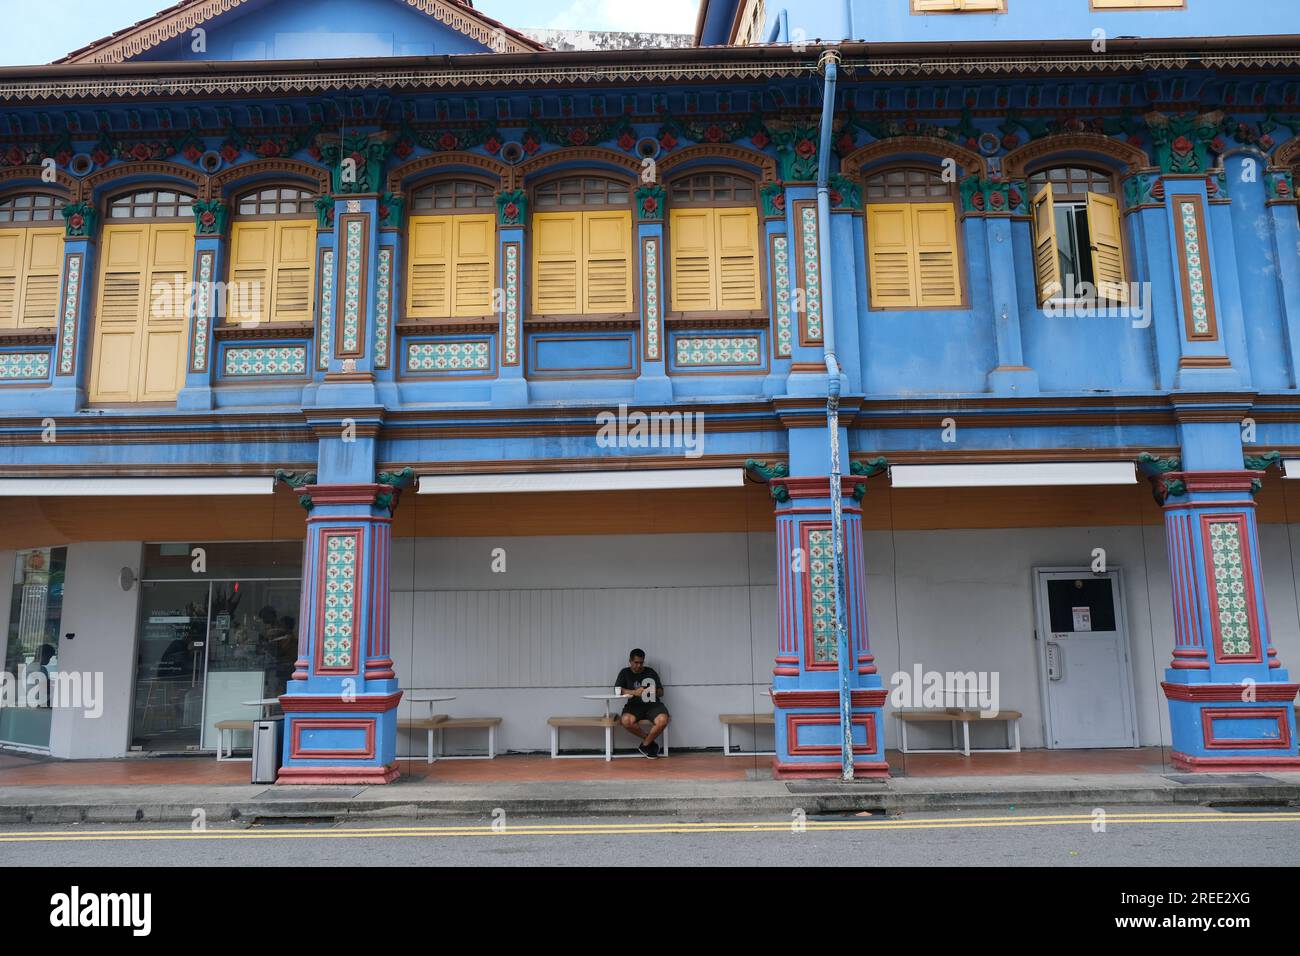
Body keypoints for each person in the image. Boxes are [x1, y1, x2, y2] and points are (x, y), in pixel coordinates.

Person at [614, 648, 670, 759]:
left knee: (663, 720)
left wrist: (655, 691)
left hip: (653, 705)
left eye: (641, 662)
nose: (639, 665)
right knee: (625, 721)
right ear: (630, 661)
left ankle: (645, 745)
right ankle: (649, 741)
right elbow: (617, 690)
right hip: (634, 706)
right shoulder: (625, 672)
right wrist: (634, 692)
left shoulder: (650, 672)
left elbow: (661, 692)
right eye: (636, 662)